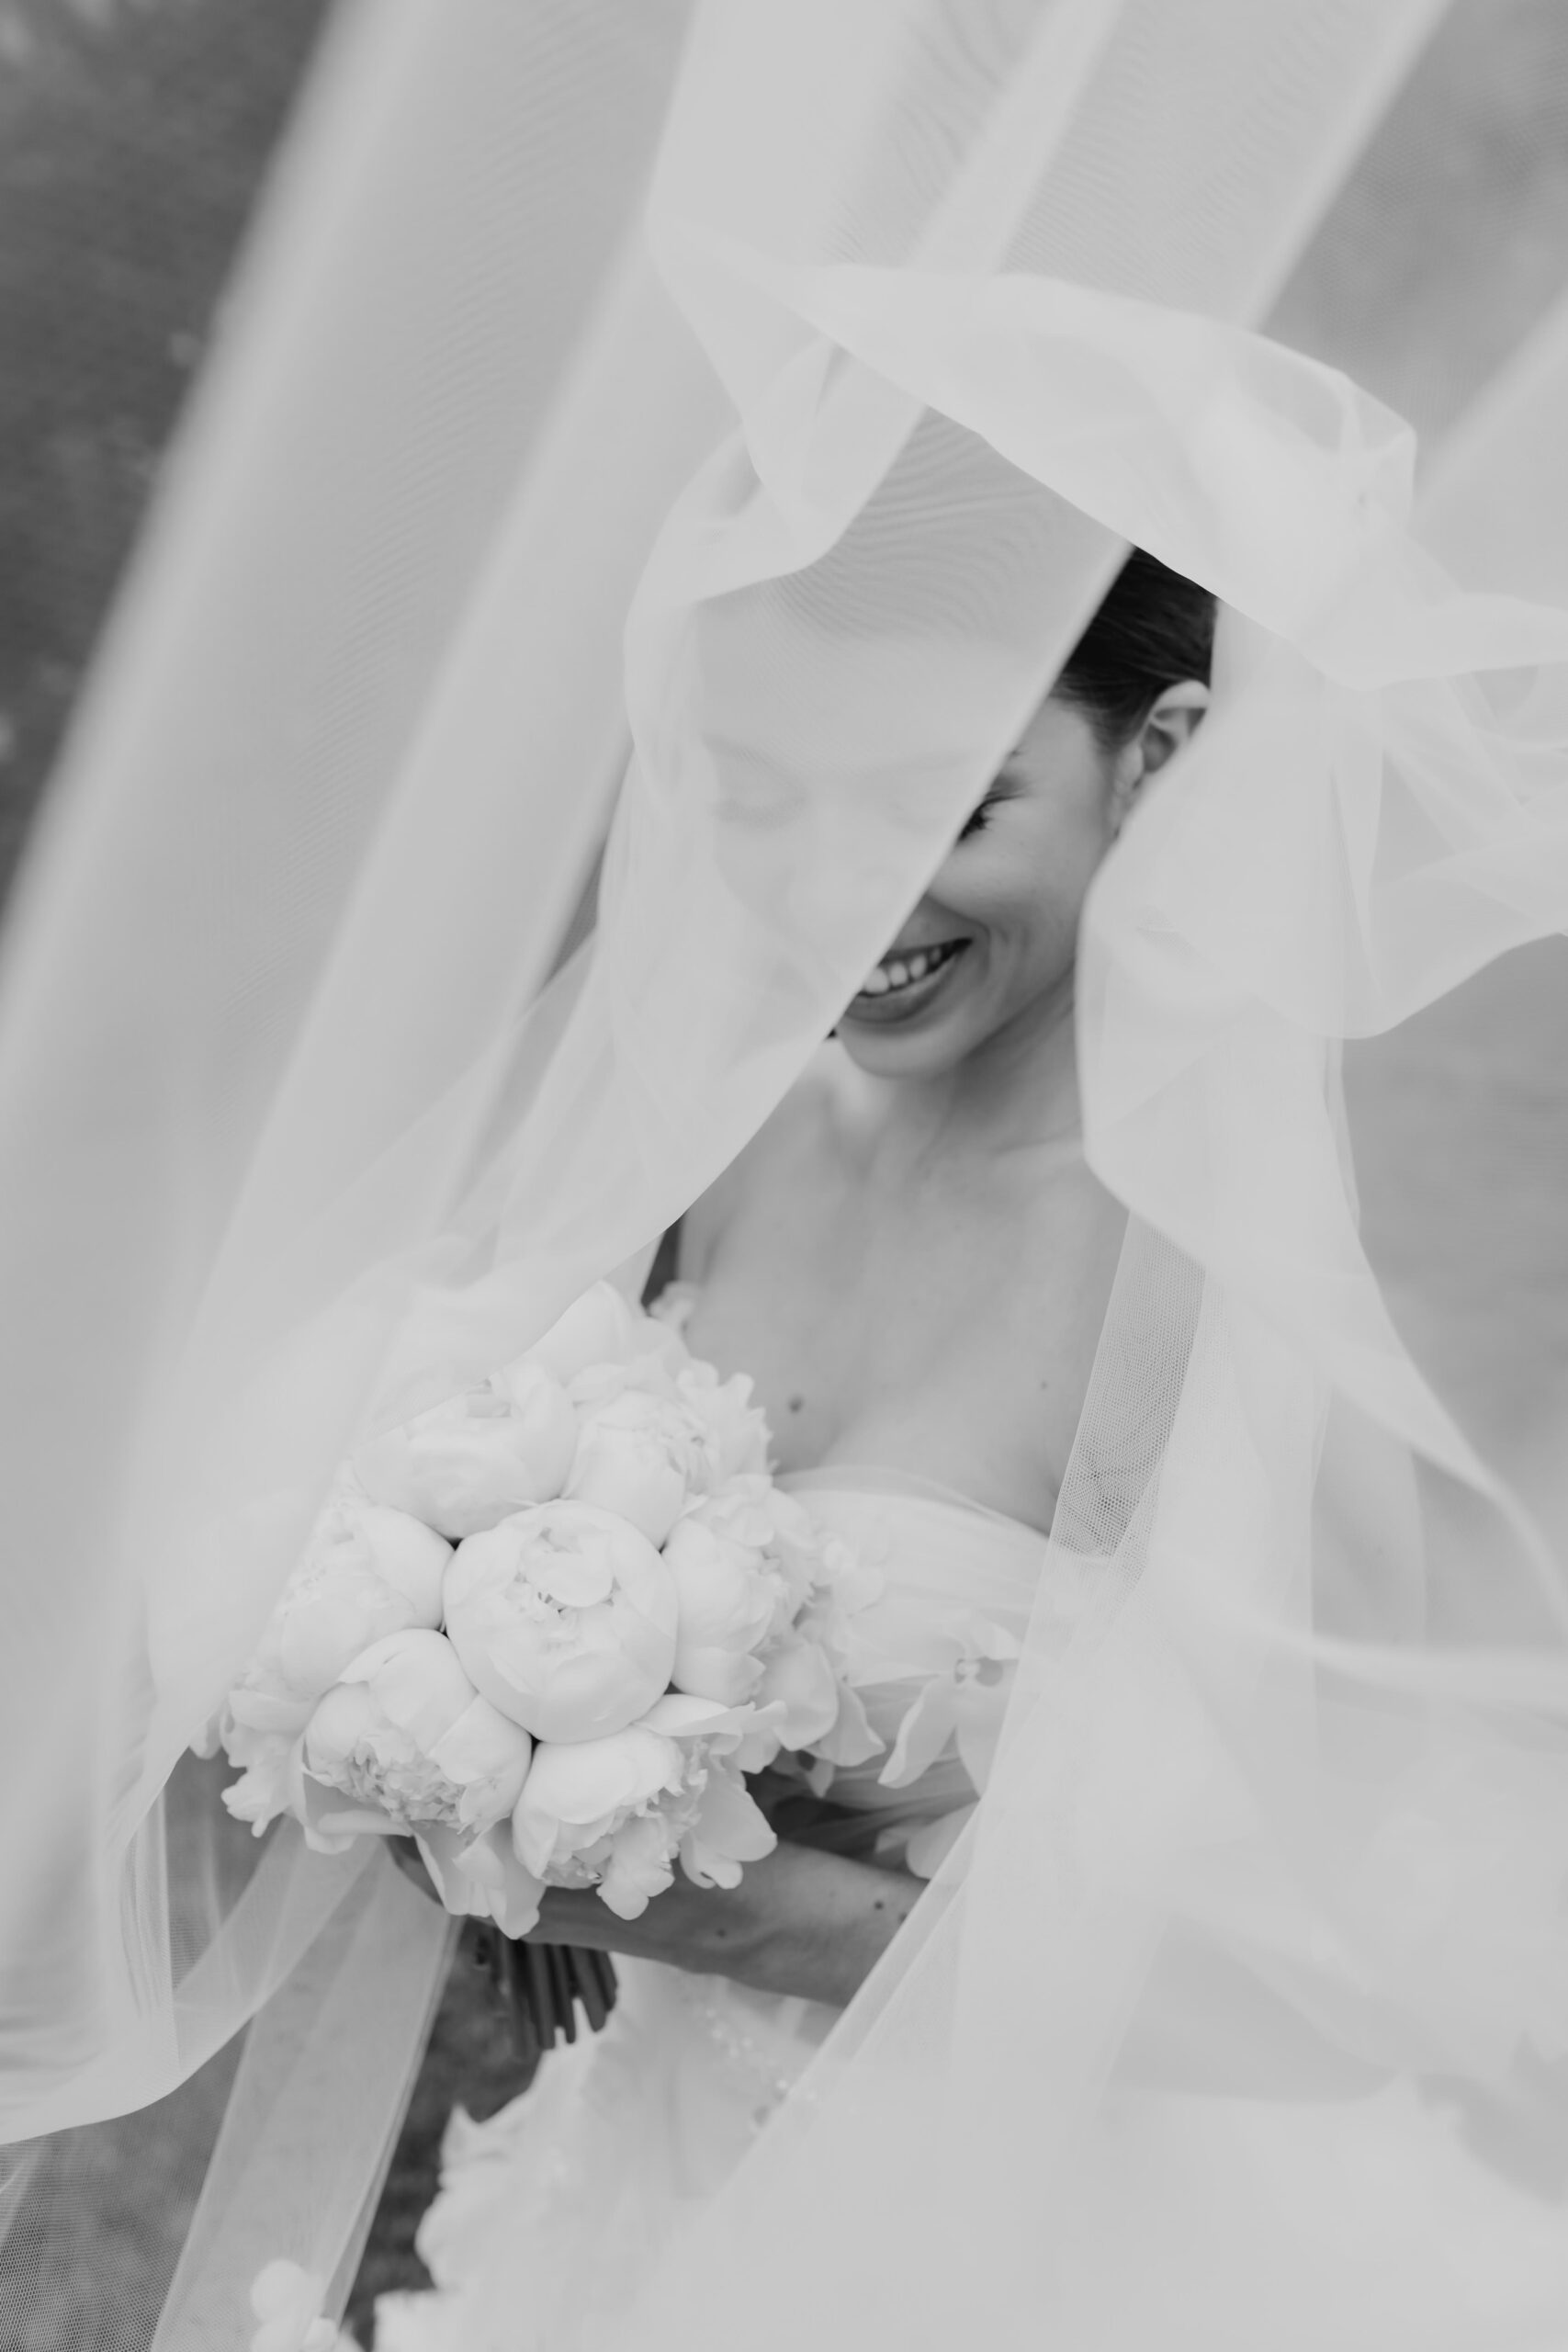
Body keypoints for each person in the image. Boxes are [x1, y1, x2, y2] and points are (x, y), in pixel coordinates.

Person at [366, 554, 1214, 2346]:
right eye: (765, 804)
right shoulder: (731, 1124)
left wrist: (717, 1907)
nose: (838, 900)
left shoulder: (1217, 1273)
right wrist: (445, 1733)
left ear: (1158, 755)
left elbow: (1303, 1973)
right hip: (645, 2174)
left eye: (937, 805)